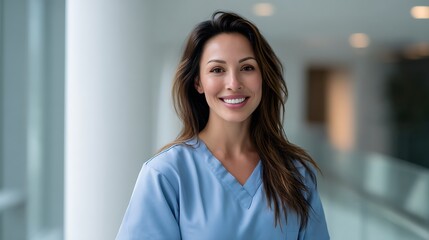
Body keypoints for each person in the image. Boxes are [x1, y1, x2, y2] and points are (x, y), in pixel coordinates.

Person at [116, 11, 329, 240]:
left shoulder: (297, 174)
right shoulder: (166, 174)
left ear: (263, 77)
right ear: (198, 82)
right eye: (217, 70)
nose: (234, 83)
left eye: (247, 68)